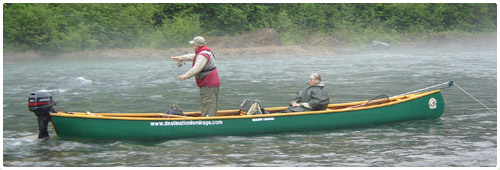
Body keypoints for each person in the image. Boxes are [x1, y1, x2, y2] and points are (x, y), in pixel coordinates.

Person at [171, 36, 220, 117]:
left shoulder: (203, 55)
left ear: (197, 45)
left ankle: (208, 121)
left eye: (193, 45)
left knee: (208, 103)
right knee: (207, 102)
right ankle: (207, 118)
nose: (193, 46)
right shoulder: (201, 53)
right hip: (207, 84)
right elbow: (192, 56)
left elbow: (196, 69)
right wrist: (179, 58)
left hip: (209, 84)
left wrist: (184, 76)